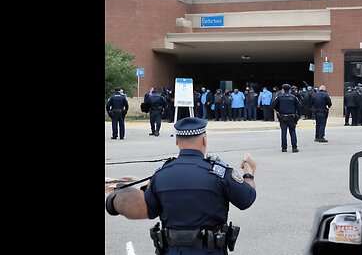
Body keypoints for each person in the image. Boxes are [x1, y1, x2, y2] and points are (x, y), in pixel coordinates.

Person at [105, 117, 257, 254]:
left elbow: (147, 209)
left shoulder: (161, 174)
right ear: (204, 140)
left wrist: (115, 201)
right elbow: (247, 198)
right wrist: (249, 172)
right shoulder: (220, 172)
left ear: (177, 141)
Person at [271, 84, 301, 153]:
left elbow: (272, 106)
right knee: (292, 132)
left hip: (283, 116)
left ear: (283, 90)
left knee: (283, 133)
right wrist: (297, 116)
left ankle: (284, 148)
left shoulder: (279, 97)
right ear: (290, 90)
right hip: (291, 116)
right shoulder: (293, 97)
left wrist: (278, 110)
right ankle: (294, 148)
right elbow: (299, 107)